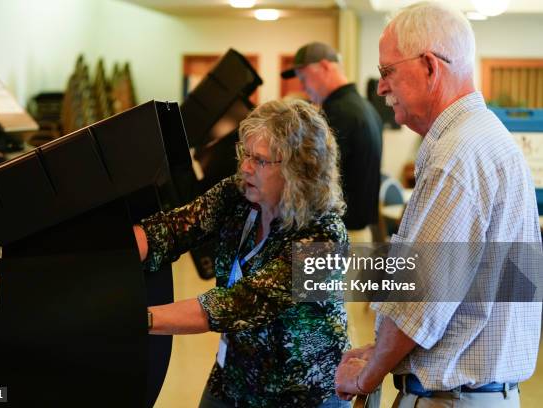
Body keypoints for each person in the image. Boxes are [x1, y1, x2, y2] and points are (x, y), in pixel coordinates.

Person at [334, 2, 542, 408]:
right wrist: (381, 353)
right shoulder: (483, 136)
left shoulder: (457, 154)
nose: (380, 88)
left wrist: (368, 374)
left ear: (430, 66)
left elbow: (419, 303)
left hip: (451, 398)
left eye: (387, 71)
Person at [133, 99, 351, 407]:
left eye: (260, 160)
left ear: (297, 171)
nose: (245, 167)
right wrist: (110, 256)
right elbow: (171, 230)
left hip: (299, 393)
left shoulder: (324, 238)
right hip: (235, 375)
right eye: (245, 154)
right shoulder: (239, 195)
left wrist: (137, 319)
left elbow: (240, 304)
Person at [282, 42, 383, 244]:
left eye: (304, 77)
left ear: (326, 66)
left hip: (340, 235)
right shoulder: (365, 108)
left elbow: (313, 176)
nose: (302, 86)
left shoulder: (337, 114)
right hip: (358, 232)